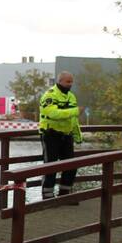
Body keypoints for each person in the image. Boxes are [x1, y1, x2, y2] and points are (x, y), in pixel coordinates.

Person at [38, 71, 83, 200]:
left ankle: (64, 194)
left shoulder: (71, 96)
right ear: (60, 81)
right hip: (50, 134)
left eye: (72, 81)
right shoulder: (50, 95)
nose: (70, 84)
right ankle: (47, 196)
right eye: (68, 82)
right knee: (51, 165)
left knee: (71, 166)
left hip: (66, 135)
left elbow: (73, 120)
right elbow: (53, 114)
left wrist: (77, 135)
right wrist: (75, 111)